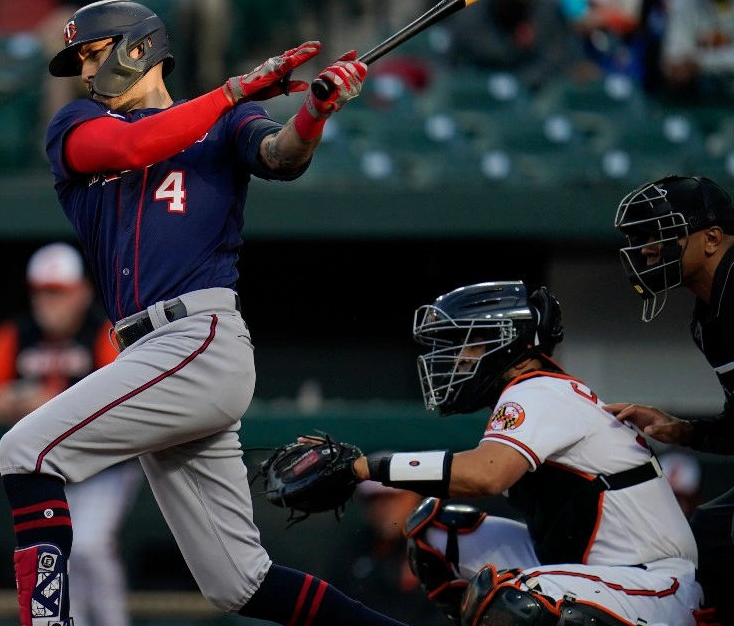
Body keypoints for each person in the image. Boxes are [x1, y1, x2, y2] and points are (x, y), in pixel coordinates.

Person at [0, 0, 398, 626]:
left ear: (137, 47)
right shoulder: (76, 123)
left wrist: (316, 112)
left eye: (93, 53)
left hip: (197, 335)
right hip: (148, 352)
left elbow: (280, 156)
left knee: (28, 452)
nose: (83, 70)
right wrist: (232, 89)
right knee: (239, 584)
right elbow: (135, 147)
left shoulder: (228, 121)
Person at [313, 281, 702, 626]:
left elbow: (487, 474)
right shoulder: (534, 392)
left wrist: (364, 468)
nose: (457, 357)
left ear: (506, 341)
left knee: (516, 603)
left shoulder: (536, 390)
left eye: (469, 342)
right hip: (590, 569)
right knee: (436, 532)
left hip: (648, 582)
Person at [0, 242, 138, 626]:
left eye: (58, 291)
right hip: (50, 475)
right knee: (58, 556)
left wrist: (52, 401)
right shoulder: (18, 334)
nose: (49, 301)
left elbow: (124, 397)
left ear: (81, 292)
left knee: (89, 546)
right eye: (43, 291)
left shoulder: (104, 331)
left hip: (102, 469)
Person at [611, 174, 734, 625]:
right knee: (713, 533)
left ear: (712, 238)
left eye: (659, 235)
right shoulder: (709, 315)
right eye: (641, 238)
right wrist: (682, 428)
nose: (646, 249)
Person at [443, 0, 591, 89]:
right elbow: (455, 62)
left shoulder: (547, 9)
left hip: (536, 89)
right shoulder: (472, 14)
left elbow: (555, 57)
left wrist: (519, 83)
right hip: (480, 90)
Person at [326, 478, 438, 626]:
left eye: (391, 498)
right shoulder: (354, 550)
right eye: (373, 500)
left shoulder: (440, 545)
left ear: (414, 496)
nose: (382, 508)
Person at [660, 450, 703, 518]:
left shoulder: (690, 464)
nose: (675, 505)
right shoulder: (664, 460)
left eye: (678, 501)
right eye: (672, 498)